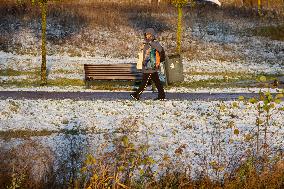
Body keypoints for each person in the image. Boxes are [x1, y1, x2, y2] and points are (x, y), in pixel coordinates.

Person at [130, 28, 166, 101]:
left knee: (144, 82)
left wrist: (150, 44)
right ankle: (162, 95)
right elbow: (144, 55)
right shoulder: (147, 43)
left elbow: (161, 51)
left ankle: (136, 95)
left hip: (150, 66)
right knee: (157, 82)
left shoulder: (154, 43)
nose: (147, 36)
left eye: (149, 34)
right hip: (148, 66)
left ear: (152, 35)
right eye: (146, 34)